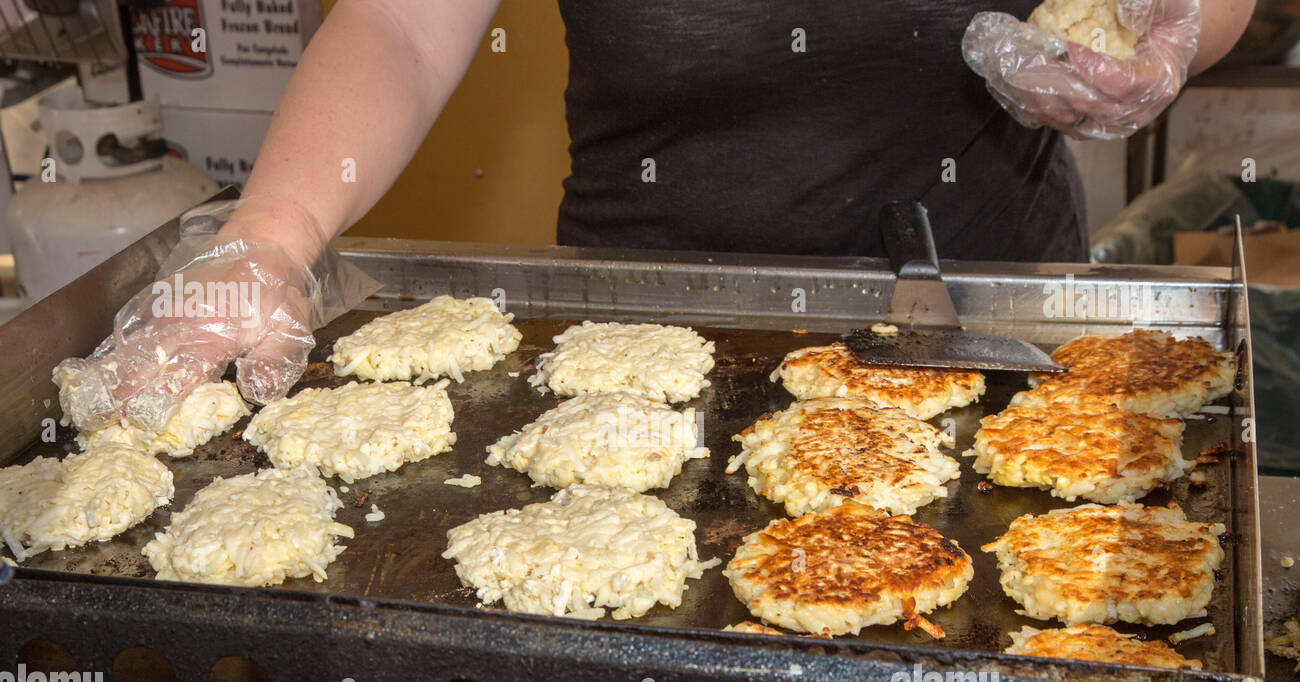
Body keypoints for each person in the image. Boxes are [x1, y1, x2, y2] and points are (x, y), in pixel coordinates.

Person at [55, 0, 1255, 431]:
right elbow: (401, 24)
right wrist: (267, 237)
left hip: (986, 308)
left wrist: (1166, 34)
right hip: (653, 332)